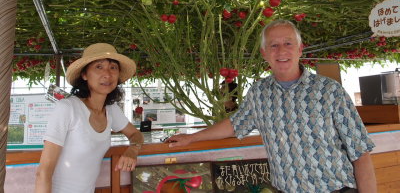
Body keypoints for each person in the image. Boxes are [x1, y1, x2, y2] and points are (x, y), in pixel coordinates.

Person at [167, 20, 377, 193]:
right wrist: (192, 137)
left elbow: (361, 152)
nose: (281, 51)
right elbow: (234, 124)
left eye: (288, 43)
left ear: (300, 49)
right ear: (264, 53)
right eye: (273, 45)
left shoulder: (330, 90)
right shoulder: (259, 92)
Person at [35, 43, 144, 193]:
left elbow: (135, 134)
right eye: (99, 67)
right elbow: (43, 172)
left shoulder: (111, 110)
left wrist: (133, 150)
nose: (107, 74)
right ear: (84, 75)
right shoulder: (67, 108)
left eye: (113, 67)